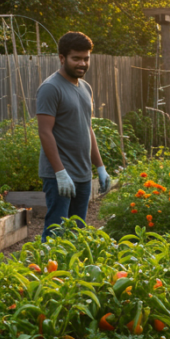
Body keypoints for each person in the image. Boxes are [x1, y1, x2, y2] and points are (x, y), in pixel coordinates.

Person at [36, 31, 111, 240]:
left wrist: (100, 167)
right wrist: (60, 172)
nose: (82, 63)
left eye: (86, 58)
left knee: (77, 233)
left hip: (82, 173)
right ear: (62, 58)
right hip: (59, 175)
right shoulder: (51, 88)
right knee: (56, 232)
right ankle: (47, 271)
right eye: (76, 58)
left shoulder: (85, 87)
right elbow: (45, 131)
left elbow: (87, 128)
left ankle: (71, 272)